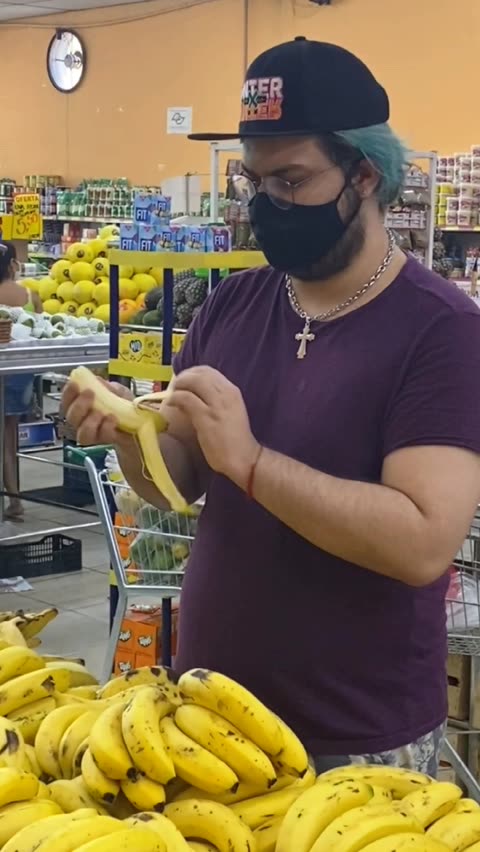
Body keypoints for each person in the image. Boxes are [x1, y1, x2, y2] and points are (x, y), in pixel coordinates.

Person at [63, 38, 480, 775]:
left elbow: (422, 542)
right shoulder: (234, 303)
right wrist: (127, 434)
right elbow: (181, 479)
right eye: (255, 182)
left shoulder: (442, 331)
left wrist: (252, 462)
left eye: (292, 180)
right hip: (203, 710)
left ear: (365, 174)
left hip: (355, 737)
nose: (268, 206)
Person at [0, 242, 41, 519]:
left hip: (3, 370)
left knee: (3, 438)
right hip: (22, 373)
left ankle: (13, 498)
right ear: (14, 265)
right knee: (10, 435)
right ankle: (14, 496)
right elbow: (41, 327)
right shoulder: (29, 293)